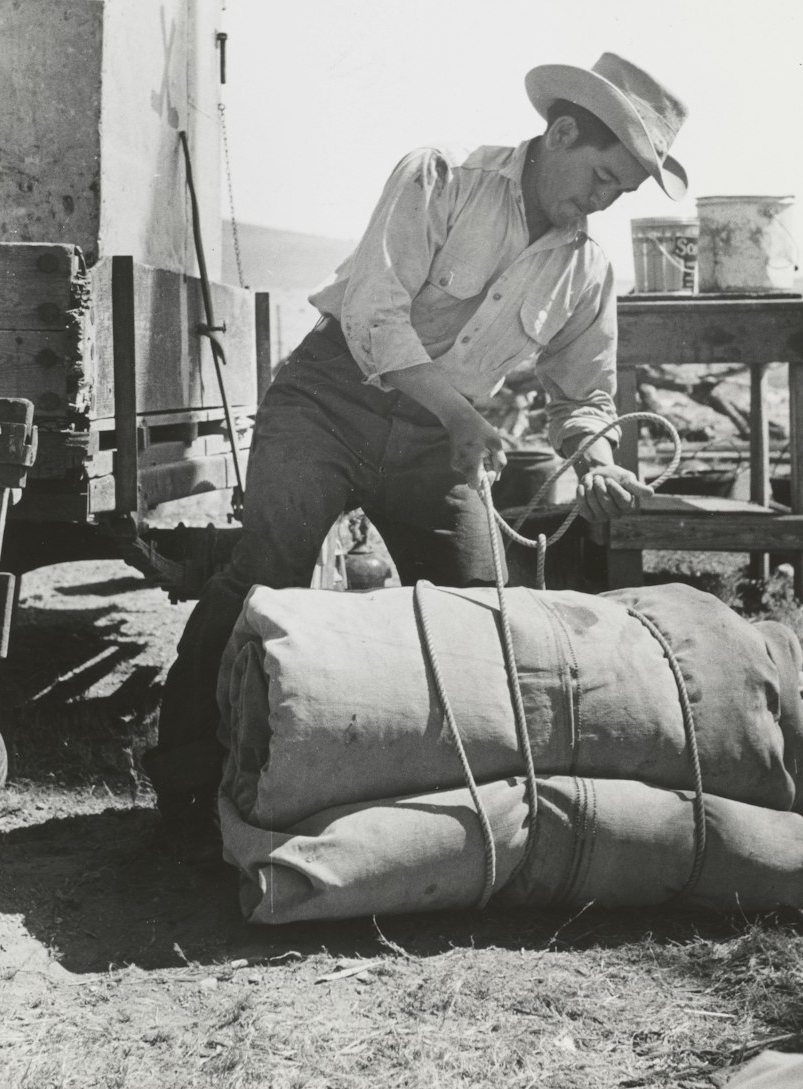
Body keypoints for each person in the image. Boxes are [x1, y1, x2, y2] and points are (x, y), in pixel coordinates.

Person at [144, 51, 690, 830]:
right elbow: (373, 316)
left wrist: (595, 458)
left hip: (439, 449)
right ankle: (186, 778)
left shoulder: (587, 271)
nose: (600, 203)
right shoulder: (440, 180)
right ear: (563, 132)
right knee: (266, 572)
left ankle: (444, 804)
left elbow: (586, 395)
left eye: (619, 193)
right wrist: (463, 417)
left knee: (479, 610)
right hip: (328, 404)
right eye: (601, 178)